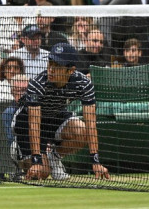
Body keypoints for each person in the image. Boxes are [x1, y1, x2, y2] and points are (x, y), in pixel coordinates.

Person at [12, 42, 109, 181]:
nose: (51, 69)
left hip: (55, 116)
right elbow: (34, 124)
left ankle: (54, 157)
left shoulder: (83, 84)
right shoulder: (38, 84)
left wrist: (96, 162)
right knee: (42, 173)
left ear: (70, 70)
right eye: (50, 63)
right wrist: (37, 161)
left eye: (57, 66)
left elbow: (91, 123)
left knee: (83, 131)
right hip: (27, 123)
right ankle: (17, 152)